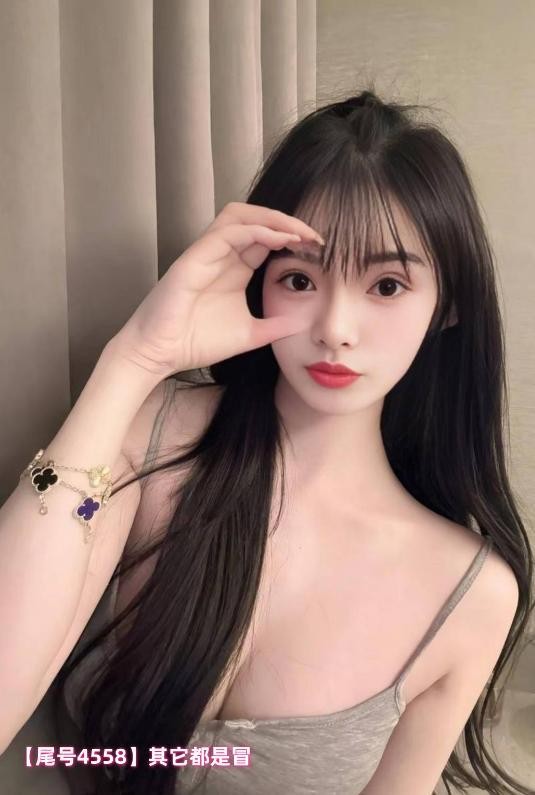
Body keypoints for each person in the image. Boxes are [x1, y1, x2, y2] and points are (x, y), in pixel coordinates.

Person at [1, 89, 532, 795]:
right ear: (260, 284)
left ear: (449, 305)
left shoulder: (469, 593)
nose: (335, 327)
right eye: (300, 279)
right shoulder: (153, 436)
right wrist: (132, 360)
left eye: (386, 285)